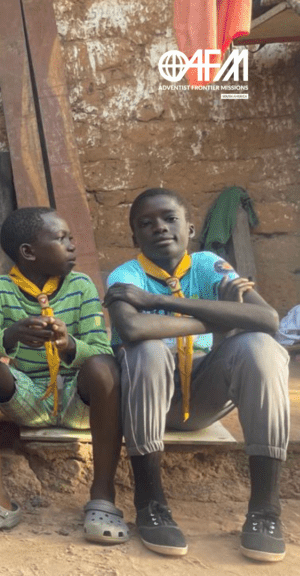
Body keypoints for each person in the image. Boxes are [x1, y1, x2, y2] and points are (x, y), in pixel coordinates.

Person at [104, 187, 289, 561]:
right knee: (148, 350)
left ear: (189, 228)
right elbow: (134, 330)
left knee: (261, 348)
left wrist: (158, 302)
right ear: (133, 237)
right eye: (146, 223)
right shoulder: (125, 276)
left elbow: (267, 319)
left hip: (205, 394)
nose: (159, 228)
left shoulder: (208, 265)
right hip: (149, 400)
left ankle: (265, 509)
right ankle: (150, 500)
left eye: (170, 219)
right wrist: (221, 314)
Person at [0, 207, 124, 543]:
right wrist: (10, 337)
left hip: (78, 398)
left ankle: (103, 497)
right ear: (28, 252)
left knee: (104, 366)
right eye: (62, 239)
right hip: (29, 396)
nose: (72, 246)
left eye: (71, 238)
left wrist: (70, 344)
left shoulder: (81, 285)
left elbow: (102, 351)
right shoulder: (2, 287)